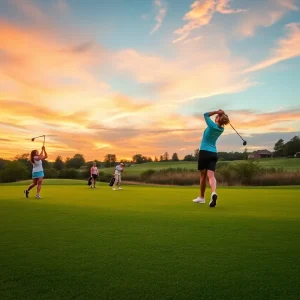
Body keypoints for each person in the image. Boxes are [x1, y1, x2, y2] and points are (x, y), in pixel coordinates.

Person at [193, 109, 229, 207]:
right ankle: (213, 192)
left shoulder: (212, 126)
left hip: (204, 152)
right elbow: (218, 121)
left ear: (218, 119)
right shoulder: (221, 129)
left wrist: (217, 111)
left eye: (216, 117)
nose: (215, 117)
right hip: (213, 154)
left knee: (203, 176)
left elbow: (205, 114)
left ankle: (201, 197)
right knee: (211, 176)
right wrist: (221, 115)